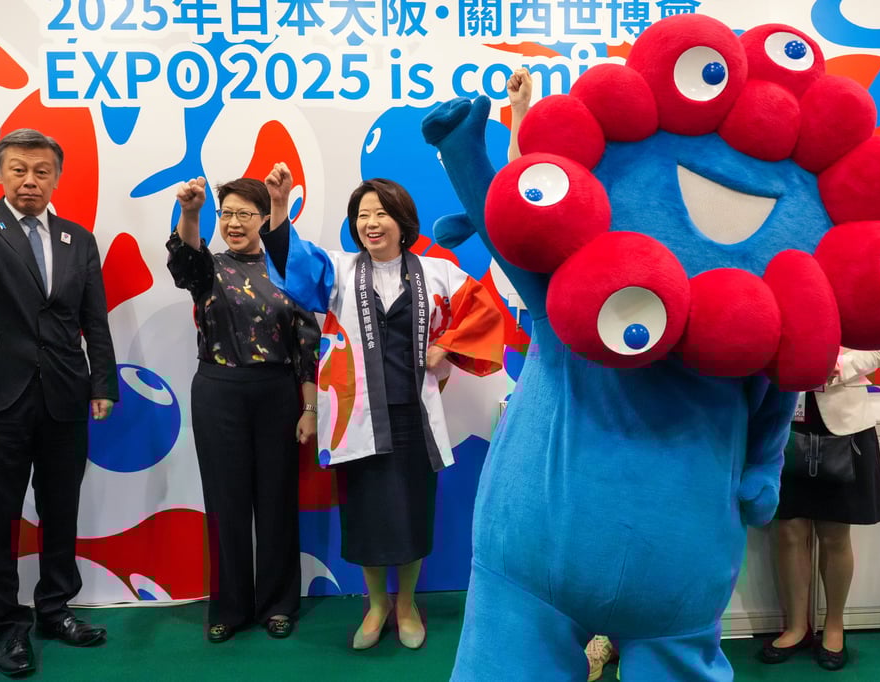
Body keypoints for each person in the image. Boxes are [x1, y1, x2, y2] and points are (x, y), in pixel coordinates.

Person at [259, 164, 504, 650]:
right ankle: (376, 606)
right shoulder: (339, 270)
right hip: (357, 417)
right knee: (367, 517)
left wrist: (447, 345)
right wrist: (280, 207)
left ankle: (408, 604)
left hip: (414, 416)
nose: (371, 223)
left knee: (412, 513)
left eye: (381, 214)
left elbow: (484, 311)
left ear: (402, 220)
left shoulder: (438, 272)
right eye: (362, 215)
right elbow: (291, 264)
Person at [0, 123, 118, 677]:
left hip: (65, 393)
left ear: (57, 177)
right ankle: (6, 626)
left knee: (60, 508)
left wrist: (103, 383)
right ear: (0, 173)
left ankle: (55, 609)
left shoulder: (77, 239)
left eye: (42, 172)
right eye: (17, 170)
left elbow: (94, 318)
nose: (30, 181)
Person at [167, 175, 320, 644]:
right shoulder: (208, 268)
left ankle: (278, 603)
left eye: (244, 214)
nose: (233, 223)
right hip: (218, 391)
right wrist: (190, 213)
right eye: (226, 214)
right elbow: (183, 263)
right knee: (226, 502)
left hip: (277, 391)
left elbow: (306, 344)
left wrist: (309, 407)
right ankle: (229, 607)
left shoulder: (289, 270)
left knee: (276, 501)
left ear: (263, 219)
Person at [507, 68, 618, 682]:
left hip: (637, 397)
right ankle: (589, 634)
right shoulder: (562, 242)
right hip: (570, 397)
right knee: (576, 519)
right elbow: (522, 192)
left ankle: (629, 633)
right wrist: (521, 114)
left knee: (627, 516)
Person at [757, 348, 880, 671]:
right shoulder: (778, 296)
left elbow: (877, 349)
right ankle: (796, 627)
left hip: (843, 426)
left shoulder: (857, 299)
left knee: (834, 533)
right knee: (788, 530)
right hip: (784, 419)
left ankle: (834, 626)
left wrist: (834, 365)